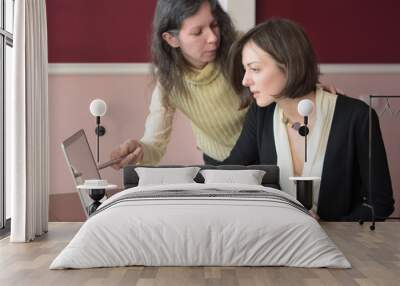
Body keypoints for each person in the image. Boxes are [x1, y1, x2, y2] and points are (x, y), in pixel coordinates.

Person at [223, 18, 394, 221]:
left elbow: (380, 205)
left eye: (255, 69)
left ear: (289, 64)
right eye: (245, 69)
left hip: (339, 245)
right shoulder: (261, 114)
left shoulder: (357, 117)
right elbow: (227, 172)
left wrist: (326, 224)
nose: (245, 80)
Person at [110, 0, 248, 168]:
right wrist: (138, 150)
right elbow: (155, 144)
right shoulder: (170, 81)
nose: (212, 38)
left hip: (266, 155)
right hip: (218, 163)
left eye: (214, 25)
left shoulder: (243, 48)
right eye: (197, 32)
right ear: (171, 39)